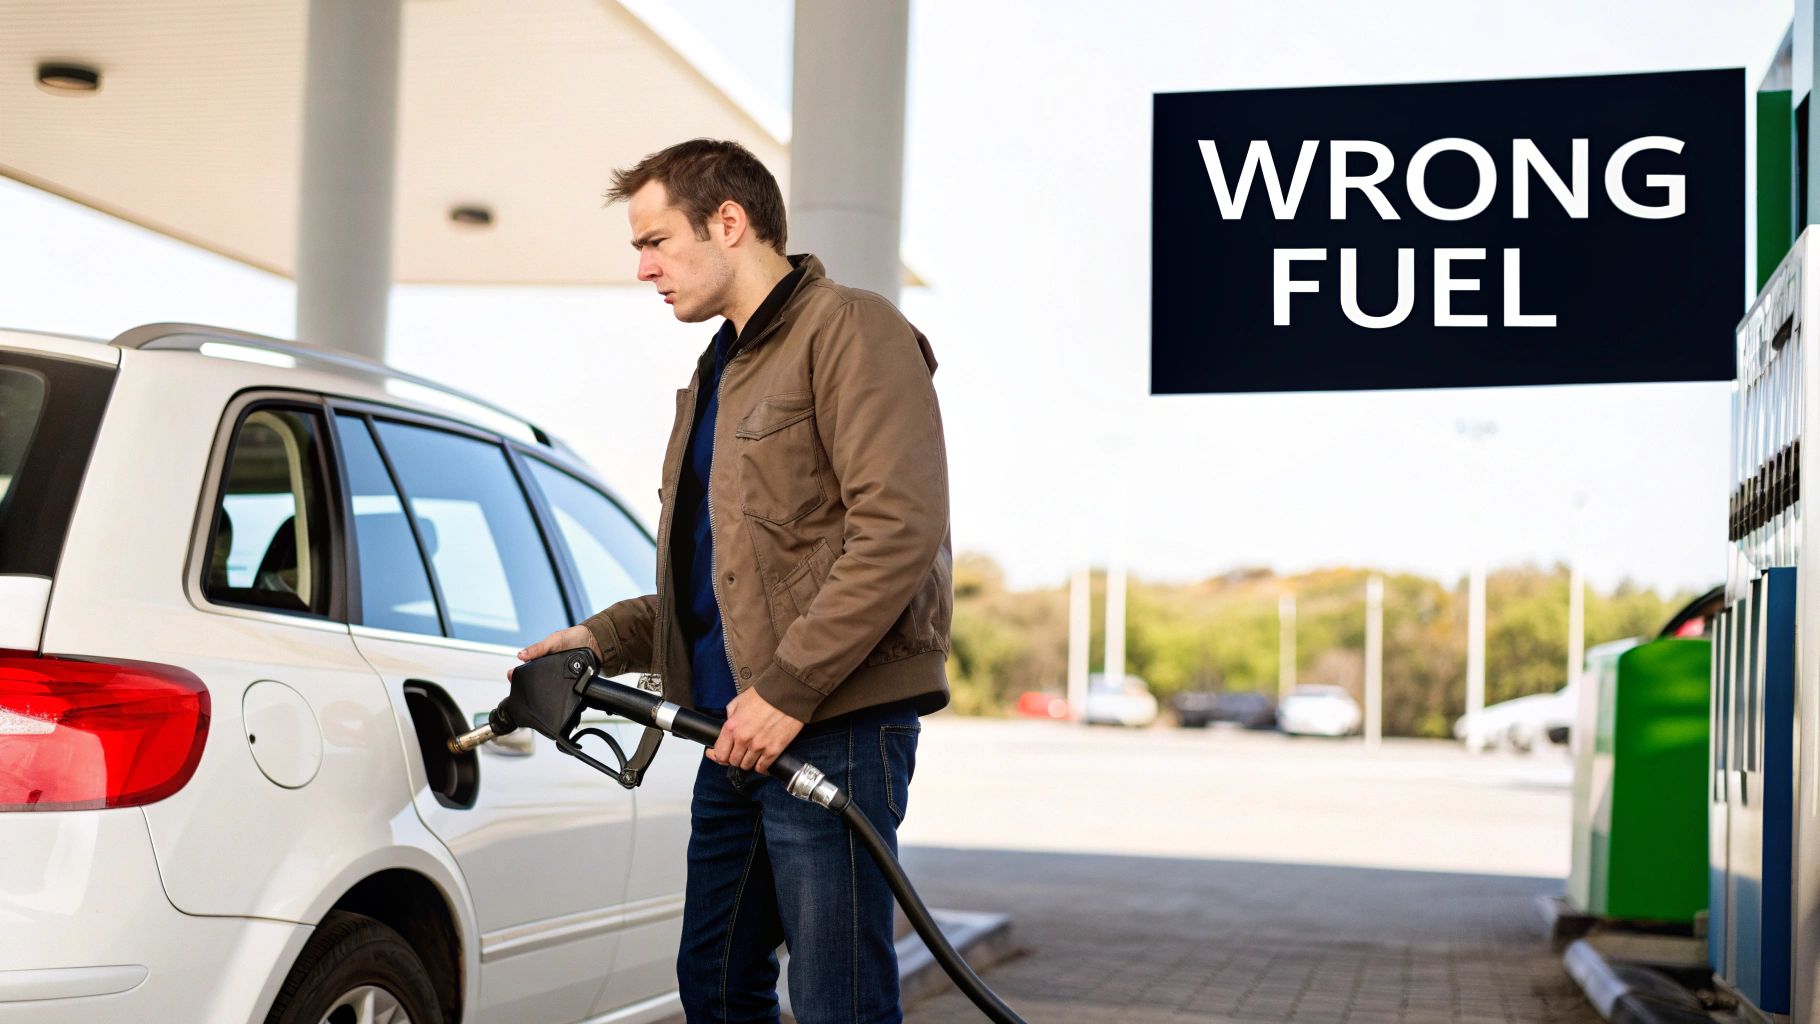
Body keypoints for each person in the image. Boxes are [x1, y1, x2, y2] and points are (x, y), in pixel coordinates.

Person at [514, 137, 952, 1024]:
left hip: (833, 724)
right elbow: (723, 578)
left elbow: (898, 530)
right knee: (713, 985)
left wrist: (788, 691)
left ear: (728, 221)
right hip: (729, 733)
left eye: (655, 241)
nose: (644, 269)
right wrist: (601, 636)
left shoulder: (851, 329)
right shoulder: (715, 374)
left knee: (839, 1003)